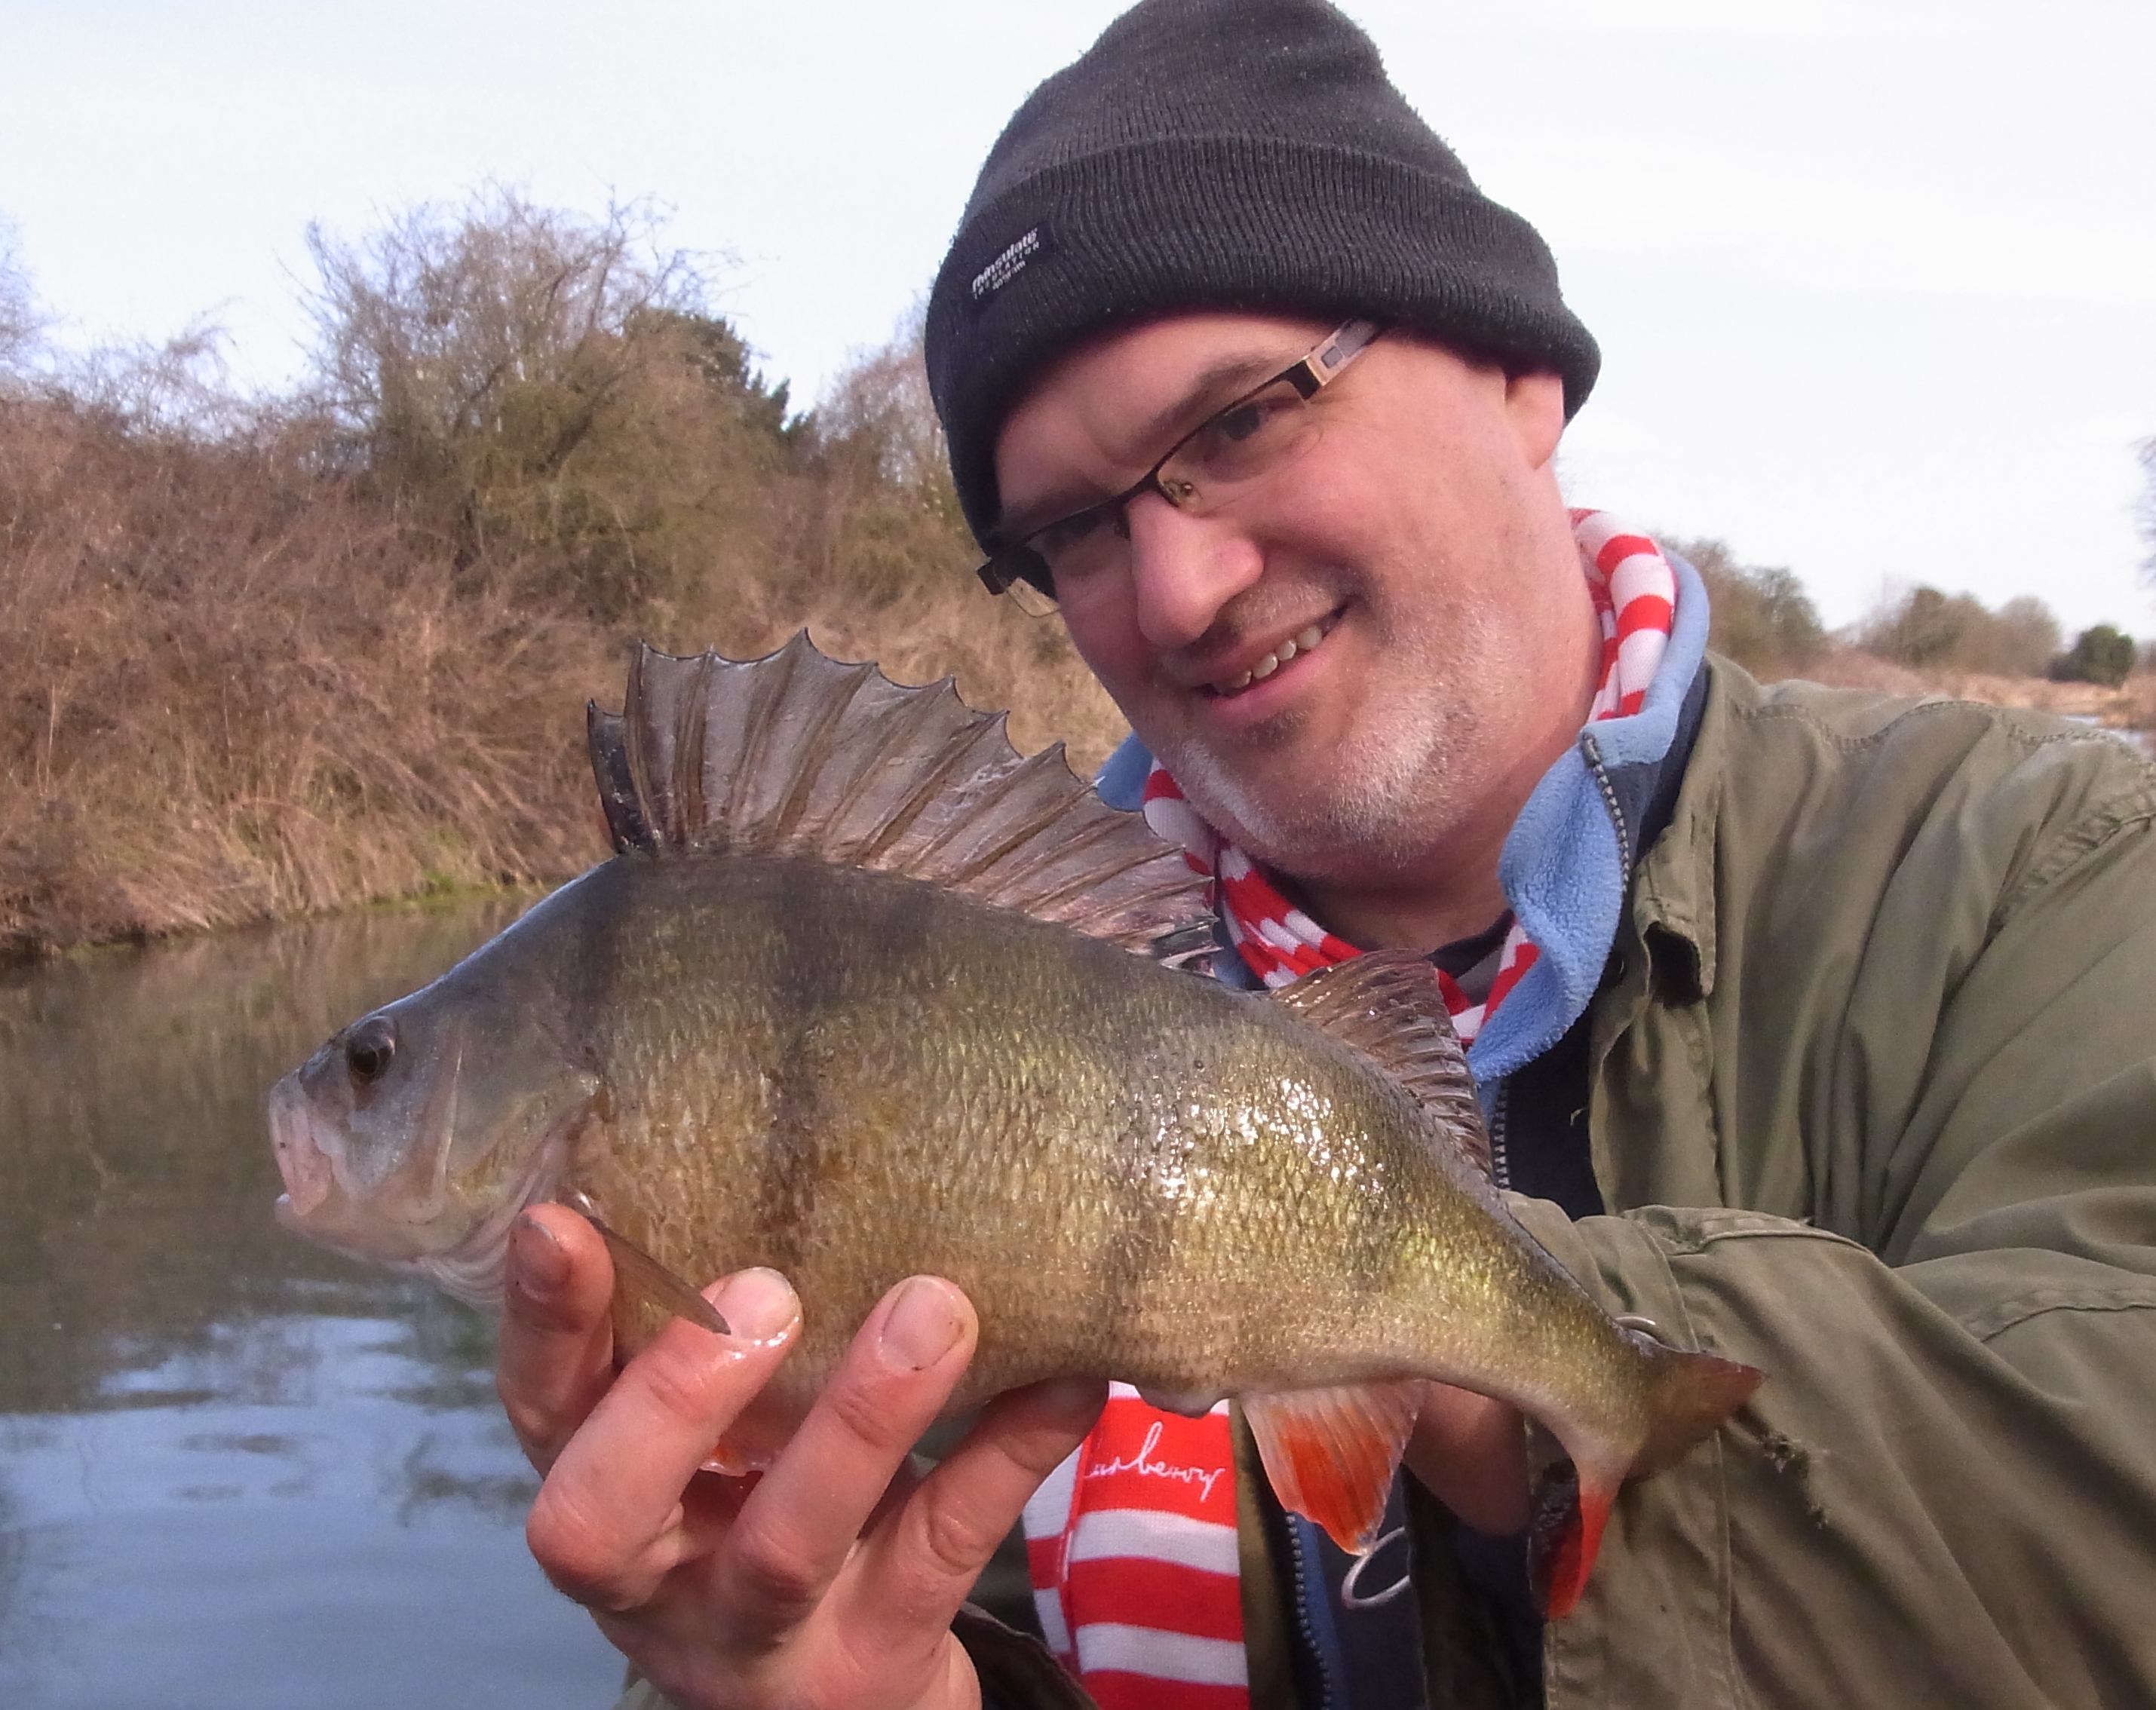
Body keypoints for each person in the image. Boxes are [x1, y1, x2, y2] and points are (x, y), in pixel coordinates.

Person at [494, 2, 2156, 1705]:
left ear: (1518, 373)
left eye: (1239, 423)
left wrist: (1448, 1339)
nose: (1177, 591)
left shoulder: (2047, 866)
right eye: (1072, 530)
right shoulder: (978, 985)